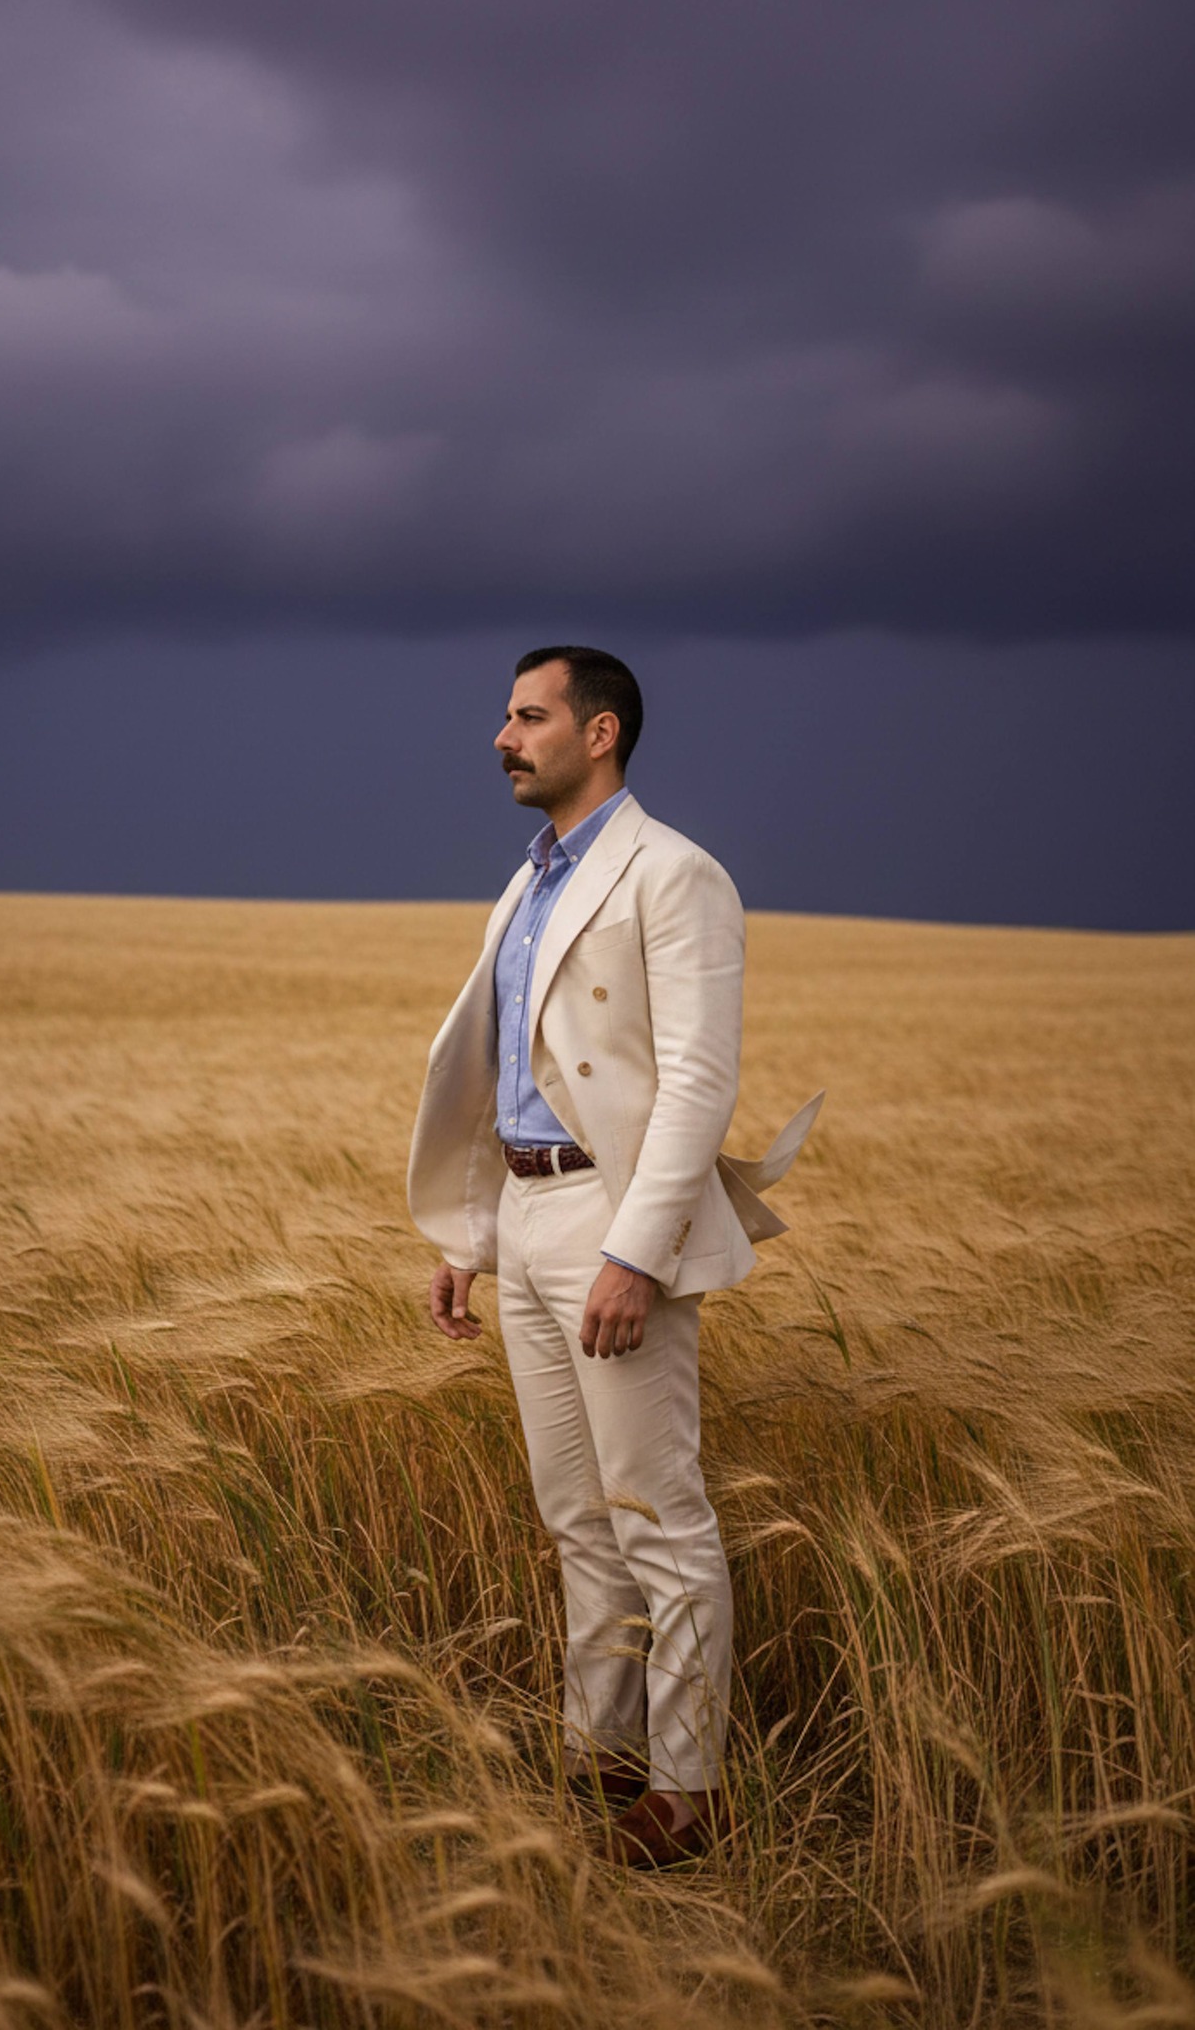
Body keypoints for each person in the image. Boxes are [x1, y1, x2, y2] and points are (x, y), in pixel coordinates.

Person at [407, 646, 821, 1868]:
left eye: (526, 715)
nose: (502, 734)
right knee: (575, 1513)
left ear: (599, 733)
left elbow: (696, 1076)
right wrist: (472, 1237)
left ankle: (688, 1790)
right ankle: (604, 1752)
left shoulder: (675, 872)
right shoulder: (528, 881)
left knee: (658, 1512)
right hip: (530, 1214)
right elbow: (506, 1077)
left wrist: (637, 1253)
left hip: (612, 1215)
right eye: (503, 713)